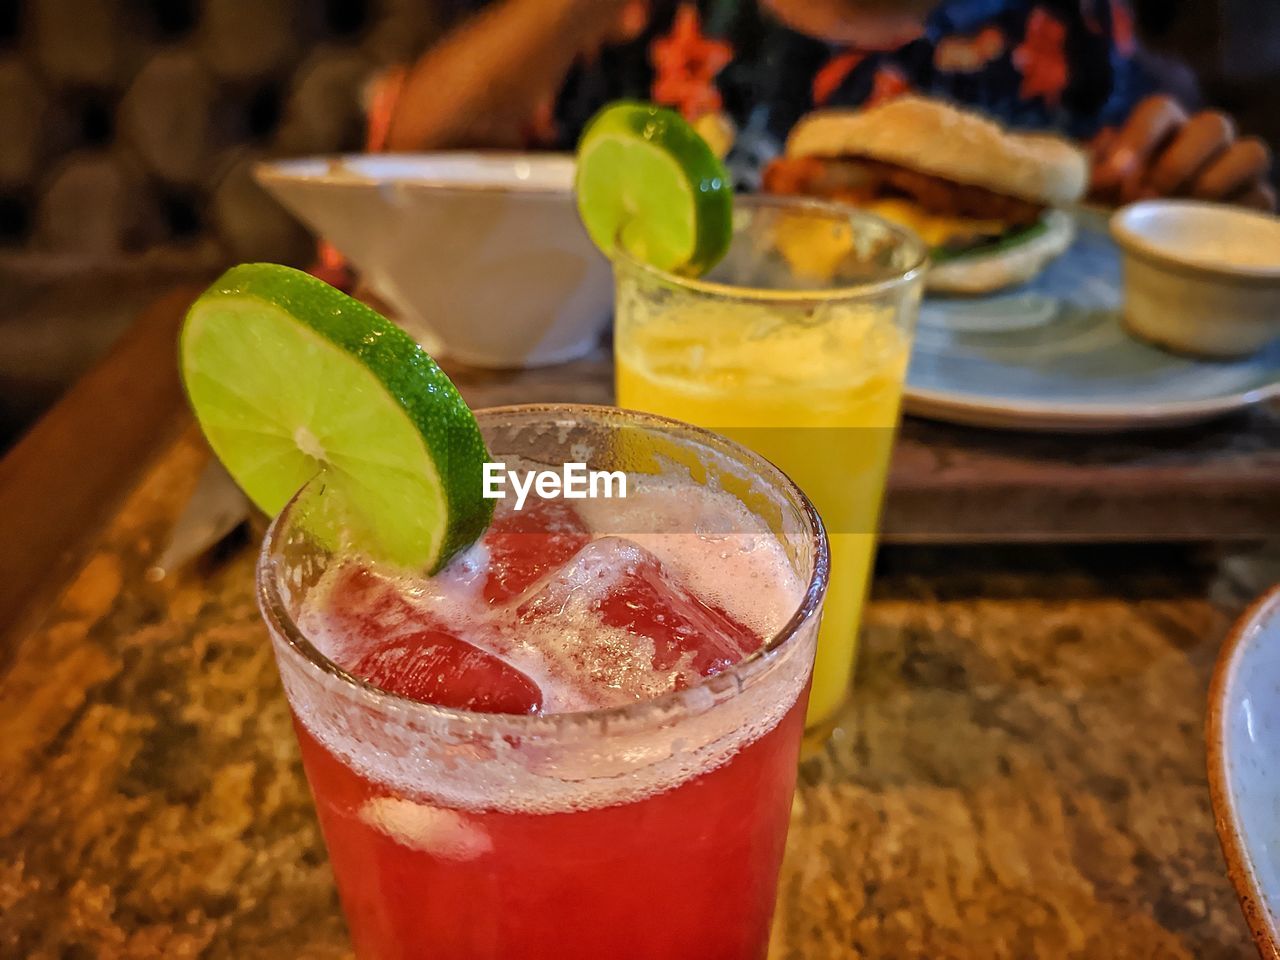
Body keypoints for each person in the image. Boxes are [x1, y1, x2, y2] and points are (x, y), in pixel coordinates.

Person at [368, 0, 1274, 212]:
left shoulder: (1067, 27)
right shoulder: (646, 22)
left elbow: (1176, 173)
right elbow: (408, 164)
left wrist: (1201, 232)